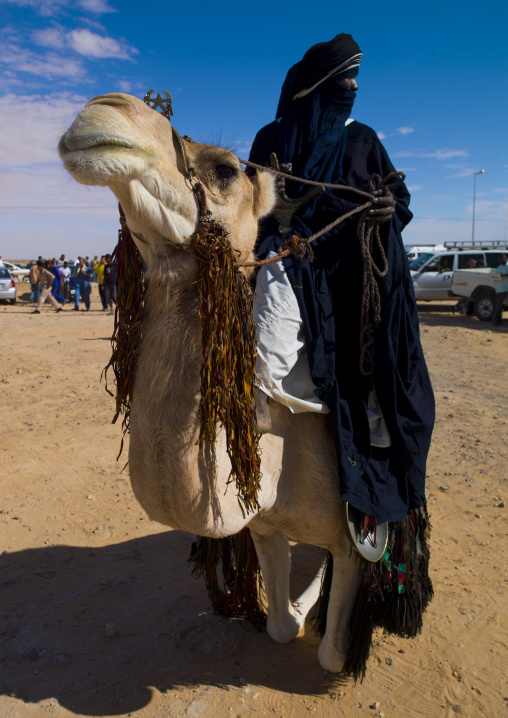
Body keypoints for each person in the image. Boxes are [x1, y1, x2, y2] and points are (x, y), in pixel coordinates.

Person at [249, 33, 435, 525]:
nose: (352, 87)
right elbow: (250, 208)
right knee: (265, 305)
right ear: (316, 86)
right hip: (287, 256)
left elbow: (401, 200)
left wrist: (387, 210)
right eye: (344, 79)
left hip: (353, 268)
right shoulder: (270, 140)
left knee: (378, 348)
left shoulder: (363, 139)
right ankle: (250, 411)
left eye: (357, 80)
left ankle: (375, 434)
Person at [492, 253, 508, 327]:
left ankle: (495, 321)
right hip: (498, 288)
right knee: (498, 305)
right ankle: (499, 320)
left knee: (498, 304)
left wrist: (505, 274)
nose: (500, 261)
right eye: (499, 260)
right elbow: (495, 276)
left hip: (505, 288)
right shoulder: (499, 267)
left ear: (505, 259)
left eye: (501, 260)